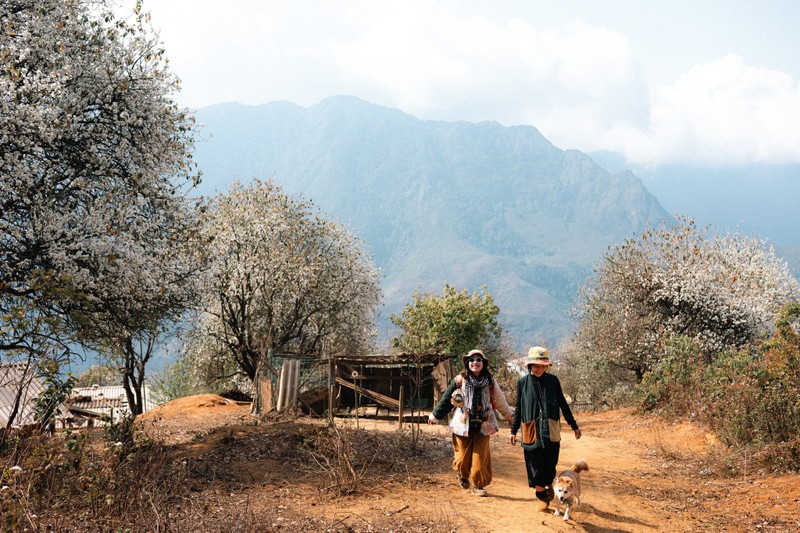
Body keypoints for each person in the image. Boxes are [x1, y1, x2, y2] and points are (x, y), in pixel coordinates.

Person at [427, 349, 514, 497]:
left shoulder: (490, 381)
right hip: (463, 423)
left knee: (480, 458)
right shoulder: (460, 379)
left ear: (483, 363)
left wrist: (510, 417)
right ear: (467, 363)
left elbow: (500, 400)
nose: (475, 362)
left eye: (479, 360)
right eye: (472, 360)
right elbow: (447, 399)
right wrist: (435, 416)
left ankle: (478, 485)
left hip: (484, 424)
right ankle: (463, 475)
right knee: (461, 458)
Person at [509, 346, 582, 509]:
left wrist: (574, 425)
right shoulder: (523, 383)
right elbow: (519, 408)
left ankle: (549, 486)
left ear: (547, 366)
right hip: (531, 431)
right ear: (530, 366)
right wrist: (513, 430)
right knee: (535, 467)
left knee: (550, 465)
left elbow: (563, 403)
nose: (539, 369)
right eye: (536, 366)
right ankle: (541, 495)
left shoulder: (553, 381)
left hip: (550, 430)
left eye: (543, 366)